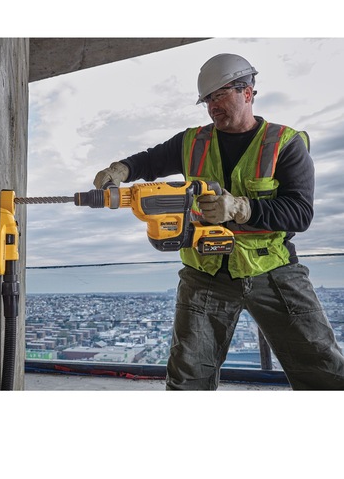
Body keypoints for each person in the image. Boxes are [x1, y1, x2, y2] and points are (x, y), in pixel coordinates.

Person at [94, 53, 344, 390]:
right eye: (208, 99)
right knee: (187, 378)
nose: (213, 106)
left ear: (248, 92)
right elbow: (149, 161)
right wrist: (120, 169)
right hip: (205, 274)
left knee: (323, 370)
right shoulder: (192, 142)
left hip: (271, 271)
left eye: (220, 95)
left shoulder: (285, 143)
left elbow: (300, 213)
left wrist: (242, 209)